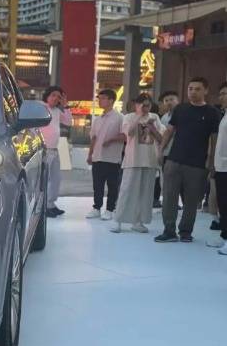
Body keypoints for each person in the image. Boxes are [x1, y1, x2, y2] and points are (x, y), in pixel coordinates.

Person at [155, 77, 221, 243]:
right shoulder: (180, 109)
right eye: (190, 89)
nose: (193, 92)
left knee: (192, 200)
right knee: (169, 197)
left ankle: (185, 231)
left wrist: (211, 162)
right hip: (174, 160)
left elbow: (214, 139)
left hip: (197, 164)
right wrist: (161, 150)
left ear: (206, 91)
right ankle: (169, 231)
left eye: (197, 89)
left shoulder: (212, 113)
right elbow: (169, 131)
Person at [111, 94, 165, 233]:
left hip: (150, 160)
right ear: (136, 105)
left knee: (146, 193)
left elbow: (161, 138)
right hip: (133, 160)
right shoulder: (129, 117)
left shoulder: (155, 117)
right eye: (143, 105)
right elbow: (129, 133)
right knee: (127, 190)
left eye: (148, 105)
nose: (146, 108)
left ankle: (138, 221)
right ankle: (118, 220)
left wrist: (152, 127)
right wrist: (138, 116)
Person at [86, 89, 126, 221]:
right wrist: (90, 154)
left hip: (112, 158)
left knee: (112, 185)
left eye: (103, 98)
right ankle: (96, 208)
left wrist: (111, 140)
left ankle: (110, 209)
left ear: (111, 100)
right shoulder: (97, 119)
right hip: (98, 157)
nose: (100, 101)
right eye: (99, 98)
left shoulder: (120, 118)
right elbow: (93, 138)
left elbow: (125, 136)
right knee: (97, 185)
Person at [39, 86, 72, 218]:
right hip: (43, 149)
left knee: (56, 179)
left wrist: (65, 106)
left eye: (58, 96)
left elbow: (68, 122)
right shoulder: (41, 108)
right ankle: (43, 206)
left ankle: (50, 204)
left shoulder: (57, 111)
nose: (56, 98)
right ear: (47, 96)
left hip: (55, 149)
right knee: (44, 180)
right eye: (53, 95)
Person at [210, 82, 227, 252]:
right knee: (223, 203)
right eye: (221, 93)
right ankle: (224, 236)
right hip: (221, 166)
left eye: (225, 94)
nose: (221, 97)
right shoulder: (224, 115)